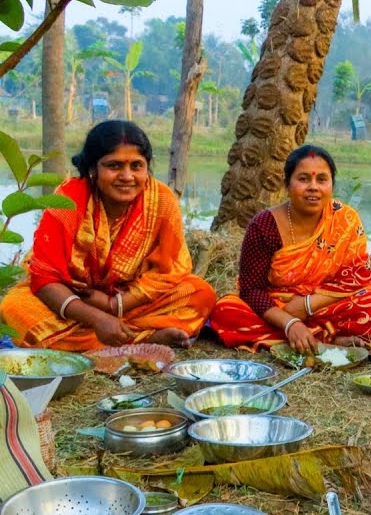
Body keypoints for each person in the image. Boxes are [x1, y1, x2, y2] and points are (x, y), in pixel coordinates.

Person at [0, 121, 214, 350]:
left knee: (201, 294)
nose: (127, 176)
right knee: (15, 307)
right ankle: (140, 339)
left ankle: (106, 339)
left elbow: (168, 272)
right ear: (93, 168)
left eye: (136, 166)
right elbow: (45, 279)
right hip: (74, 300)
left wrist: (113, 305)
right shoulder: (68, 199)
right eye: (114, 166)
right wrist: (98, 318)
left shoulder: (162, 200)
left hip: (131, 301)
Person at [209, 144, 371, 353]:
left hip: (324, 304)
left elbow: (357, 278)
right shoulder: (264, 226)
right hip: (278, 306)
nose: (313, 187)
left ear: (331, 185)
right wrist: (290, 323)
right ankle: (323, 338)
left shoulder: (345, 219)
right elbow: (251, 290)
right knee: (226, 311)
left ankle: (311, 336)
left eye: (322, 179)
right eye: (303, 179)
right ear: (287, 184)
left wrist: (307, 305)